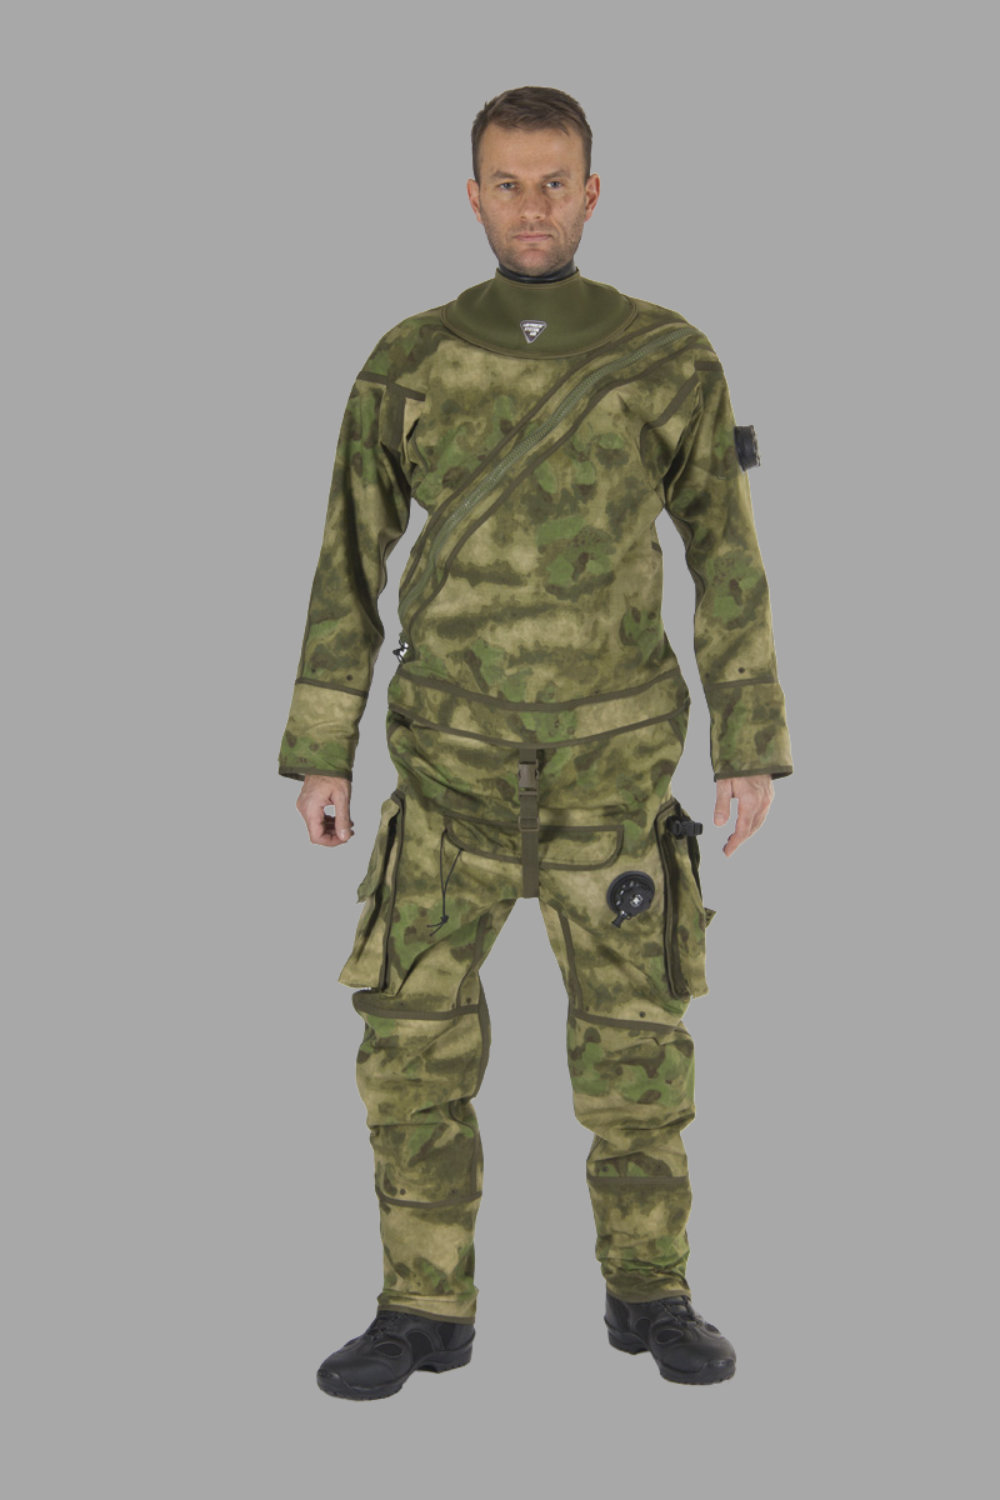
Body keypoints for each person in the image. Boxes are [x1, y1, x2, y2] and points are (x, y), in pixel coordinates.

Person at [279, 86, 792, 1401]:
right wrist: (324, 748)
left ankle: (651, 1294)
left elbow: (727, 555)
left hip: (612, 781)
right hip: (446, 776)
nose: (532, 207)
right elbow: (348, 558)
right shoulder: (409, 360)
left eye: (555, 181)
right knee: (411, 1054)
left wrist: (749, 742)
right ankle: (420, 1311)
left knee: (637, 1055)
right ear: (472, 194)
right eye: (507, 183)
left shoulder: (667, 357)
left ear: (592, 192)